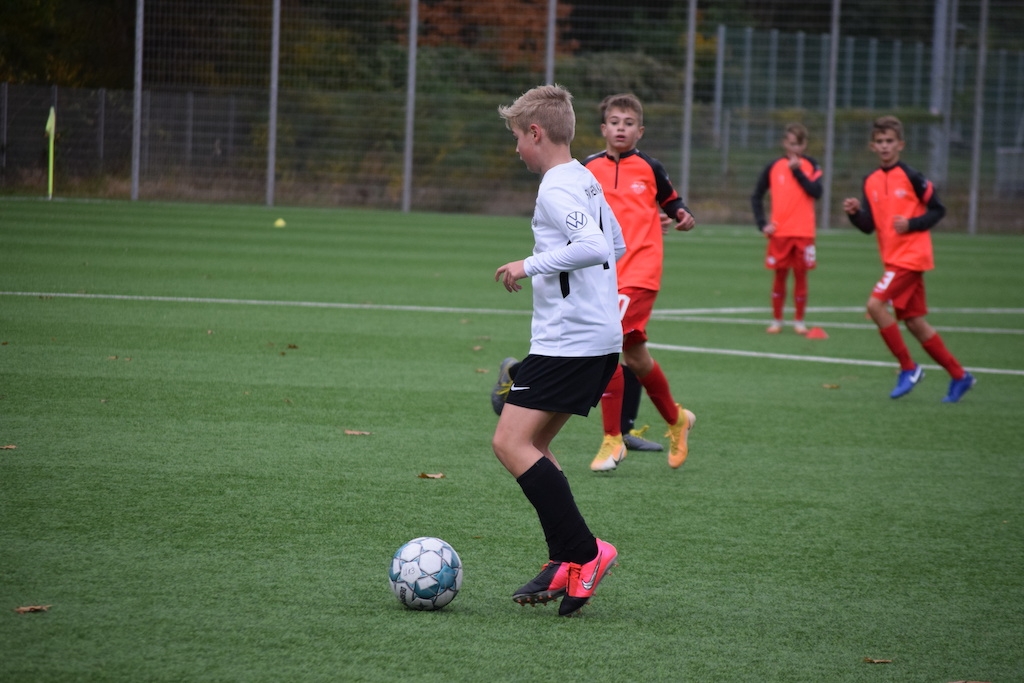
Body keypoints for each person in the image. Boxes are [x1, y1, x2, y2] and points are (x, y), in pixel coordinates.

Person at [492, 84, 621, 616]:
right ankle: (565, 558)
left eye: (517, 137)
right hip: (594, 339)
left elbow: (594, 247)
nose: (516, 148)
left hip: (571, 342)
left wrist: (528, 265)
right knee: (535, 444)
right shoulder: (586, 178)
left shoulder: (555, 187)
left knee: (509, 442)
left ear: (536, 132)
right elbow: (615, 243)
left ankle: (587, 553)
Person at [582, 93, 697, 472]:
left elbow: (673, 201)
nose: (621, 128)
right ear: (603, 128)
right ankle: (676, 419)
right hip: (603, 275)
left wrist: (682, 215)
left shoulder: (650, 167)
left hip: (641, 271)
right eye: (615, 122)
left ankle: (613, 440)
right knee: (635, 356)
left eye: (628, 123)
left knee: (604, 345)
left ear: (640, 131)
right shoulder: (588, 168)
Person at [842, 115, 975, 403]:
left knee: (875, 305)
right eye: (880, 141)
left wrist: (912, 224)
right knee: (914, 322)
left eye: (890, 141)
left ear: (900, 144)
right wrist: (854, 214)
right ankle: (960, 376)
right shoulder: (870, 181)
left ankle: (909, 368)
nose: (885, 146)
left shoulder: (912, 177)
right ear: (872, 146)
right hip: (893, 259)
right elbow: (869, 226)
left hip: (912, 256)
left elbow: (938, 209)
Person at [751, 123, 823, 334]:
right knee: (779, 275)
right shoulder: (774, 166)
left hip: (804, 232)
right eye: (790, 143)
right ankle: (777, 320)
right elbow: (756, 196)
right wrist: (763, 224)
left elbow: (816, 191)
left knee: (801, 275)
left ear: (804, 144)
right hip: (780, 232)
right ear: (784, 143)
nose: (794, 148)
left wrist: (798, 171)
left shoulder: (811, 165)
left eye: (798, 144)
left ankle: (799, 321)